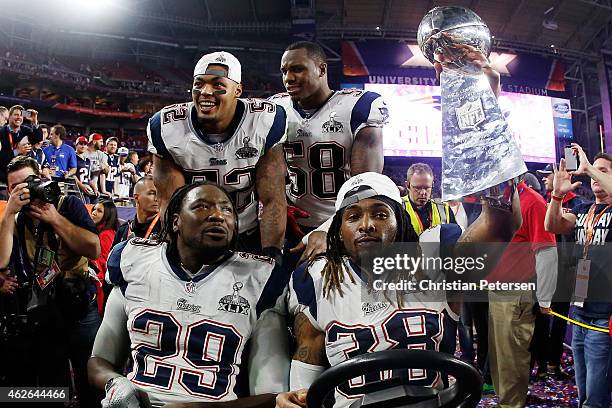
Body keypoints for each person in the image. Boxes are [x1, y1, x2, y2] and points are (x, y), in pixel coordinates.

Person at [276, 172, 521, 408]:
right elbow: (306, 372)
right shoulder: (318, 279)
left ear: (400, 220)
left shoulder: (432, 256)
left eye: (381, 215)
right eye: (353, 217)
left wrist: (493, 161)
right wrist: (294, 399)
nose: (367, 225)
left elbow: (498, 227)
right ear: (338, 232)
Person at [88, 181, 289, 407]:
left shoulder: (260, 278)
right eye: (202, 206)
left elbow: (273, 394)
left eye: (227, 209)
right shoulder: (136, 261)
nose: (218, 216)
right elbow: (100, 360)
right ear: (176, 221)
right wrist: (115, 383)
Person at [147, 51, 287, 254]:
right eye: (199, 84)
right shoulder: (166, 126)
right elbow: (171, 203)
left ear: (237, 90)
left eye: (218, 84)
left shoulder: (264, 121)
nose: (205, 91)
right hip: (194, 236)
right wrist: (176, 253)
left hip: (246, 232)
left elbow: (272, 199)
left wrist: (271, 254)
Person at [271, 41, 388, 263]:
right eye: (284, 71)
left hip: (345, 224)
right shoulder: (276, 109)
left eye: (298, 69)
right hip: (291, 226)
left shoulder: (358, 107)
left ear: (322, 69)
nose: (289, 78)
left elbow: (366, 188)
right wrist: (279, 205)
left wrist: (330, 230)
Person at [0, 155, 102, 406]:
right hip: (45, 310)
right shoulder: (16, 218)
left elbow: (94, 249)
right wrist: (9, 211)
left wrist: (54, 218)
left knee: (88, 376)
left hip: (79, 306)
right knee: (53, 384)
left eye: (27, 182)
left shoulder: (69, 204)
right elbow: (1, 262)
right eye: (15, 187)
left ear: (41, 178)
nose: (23, 190)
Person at [545, 150, 612, 408]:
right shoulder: (584, 209)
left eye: (603, 171)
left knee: (596, 397)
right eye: (593, 170)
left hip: (604, 317)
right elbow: (552, 225)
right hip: (580, 311)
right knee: (583, 391)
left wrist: (588, 167)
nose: (593, 175)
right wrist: (557, 195)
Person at [484, 176, 557, 408]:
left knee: (512, 359)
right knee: (499, 358)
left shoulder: (533, 202)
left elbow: (547, 253)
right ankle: (506, 401)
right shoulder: (499, 202)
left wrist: (544, 298)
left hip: (516, 293)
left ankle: (511, 404)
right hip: (497, 291)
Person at [531, 162, 584, 380]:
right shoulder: (544, 204)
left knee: (561, 319)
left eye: (547, 175)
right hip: (544, 270)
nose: (543, 179)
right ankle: (542, 365)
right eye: (542, 176)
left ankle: (554, 363)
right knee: (541, 320)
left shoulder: (579, 205)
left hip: (569, 271)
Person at [402, 163, 457, 235]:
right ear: (407, 185)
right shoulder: (399, 207)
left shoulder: (444, 208)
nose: (422, 192)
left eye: (426, 188)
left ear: (432, 185)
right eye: (417, 188)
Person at [0, 105, 43, 198]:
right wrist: (17, 151)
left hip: (21, 175)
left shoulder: (25, 130)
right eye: (16, 115)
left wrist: (34, 121)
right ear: (9, 117)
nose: (19, 117)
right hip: (4, 175)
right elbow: (1, 157)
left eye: (21, 115)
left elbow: (38, 138)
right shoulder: (1, 132)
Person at [112, 175, 161, 246]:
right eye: (152, 193)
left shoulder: (166, 229)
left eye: (159, 194)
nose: (157, 198)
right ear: (136, 198)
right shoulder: (124, 230)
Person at [90, 200, 119, 315]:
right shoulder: (101, 232)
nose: (94, 213)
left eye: (99, 211)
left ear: (107, 216)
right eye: (94, 209)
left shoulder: (106, 235)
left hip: (103, 286)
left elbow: (107, 263)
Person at [86, 133, 109, 198]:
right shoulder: (83, 152)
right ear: (94, 141)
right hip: (83, 186)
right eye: (100, 141)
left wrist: (104, 167)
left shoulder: (101, 155)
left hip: (95, 190)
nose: (102, 144)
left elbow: (106, 171)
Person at [74, 135, 97, 203]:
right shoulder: (73, 157)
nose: (83, 146)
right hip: (76, 188)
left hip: (86, 188)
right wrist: (81, 186)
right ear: (76, 145)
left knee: (96, 200)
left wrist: (95, 188)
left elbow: (88, 178)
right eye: (81, 144)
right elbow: (72, 174)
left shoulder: (88, 160)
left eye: (85, 144)